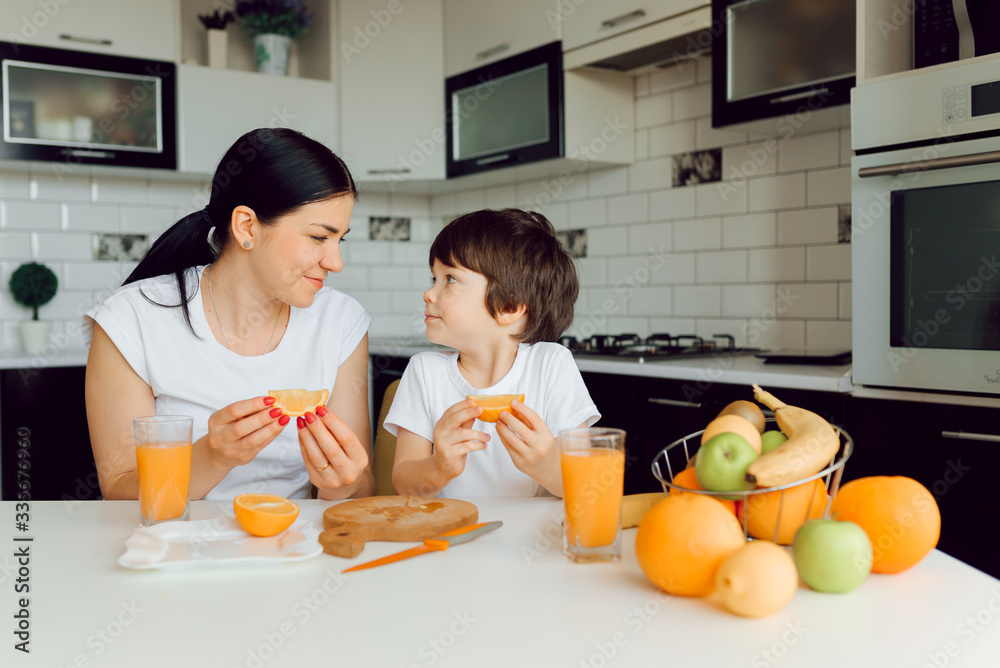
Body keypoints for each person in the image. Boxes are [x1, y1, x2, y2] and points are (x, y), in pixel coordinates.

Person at [84, 128, 375, 502]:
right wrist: (212, 456)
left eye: (340, 239)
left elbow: (362, 491)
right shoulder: (131, 319)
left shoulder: (341, 321)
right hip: (176, 550)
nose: (335, 262)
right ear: (246, 227)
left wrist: (346, 482)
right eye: (319, 237)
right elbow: (119, 493)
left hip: (298, 551)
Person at [386, 209, 600, 498]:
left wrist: (547, 466)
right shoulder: (424, 372)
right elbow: (404, 483)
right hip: (451, 539)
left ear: (509, 307)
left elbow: (585, 487)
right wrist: (438, 468)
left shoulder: (551, 366)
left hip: (533, 540)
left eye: (449, 279)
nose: (429, 293)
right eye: (433, 278)